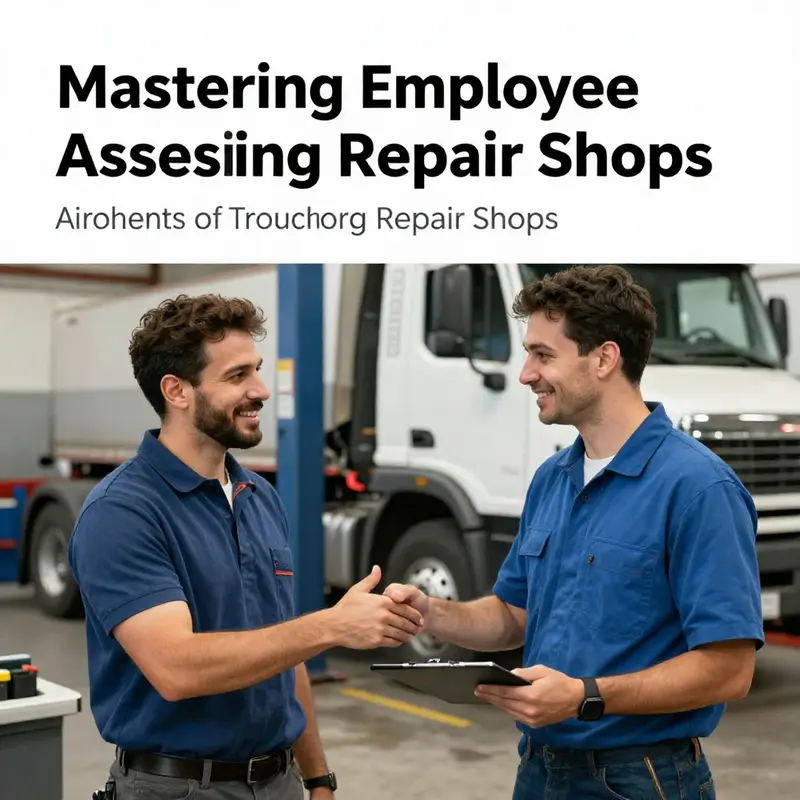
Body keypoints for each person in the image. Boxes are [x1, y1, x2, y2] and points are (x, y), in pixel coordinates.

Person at [385, 265, 764, 800]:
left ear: (605, 358)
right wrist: (429, 613)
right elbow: (513, 615)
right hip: (540, 768)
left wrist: (587, 695)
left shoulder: (699, 488)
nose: (525, 374)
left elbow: (729, 670)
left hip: (642, 778)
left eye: (543, 354)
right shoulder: (552, 478)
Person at [68, 293, 423, 800]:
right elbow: (176, 668)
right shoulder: (122, 512)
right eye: (237, 377)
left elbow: (285, 649)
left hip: (279, 782)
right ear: (177, 391)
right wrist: (330, 625)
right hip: (178, 789)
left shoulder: (258, 496)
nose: (260, 390)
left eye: (256, 371)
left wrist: (318, 778)